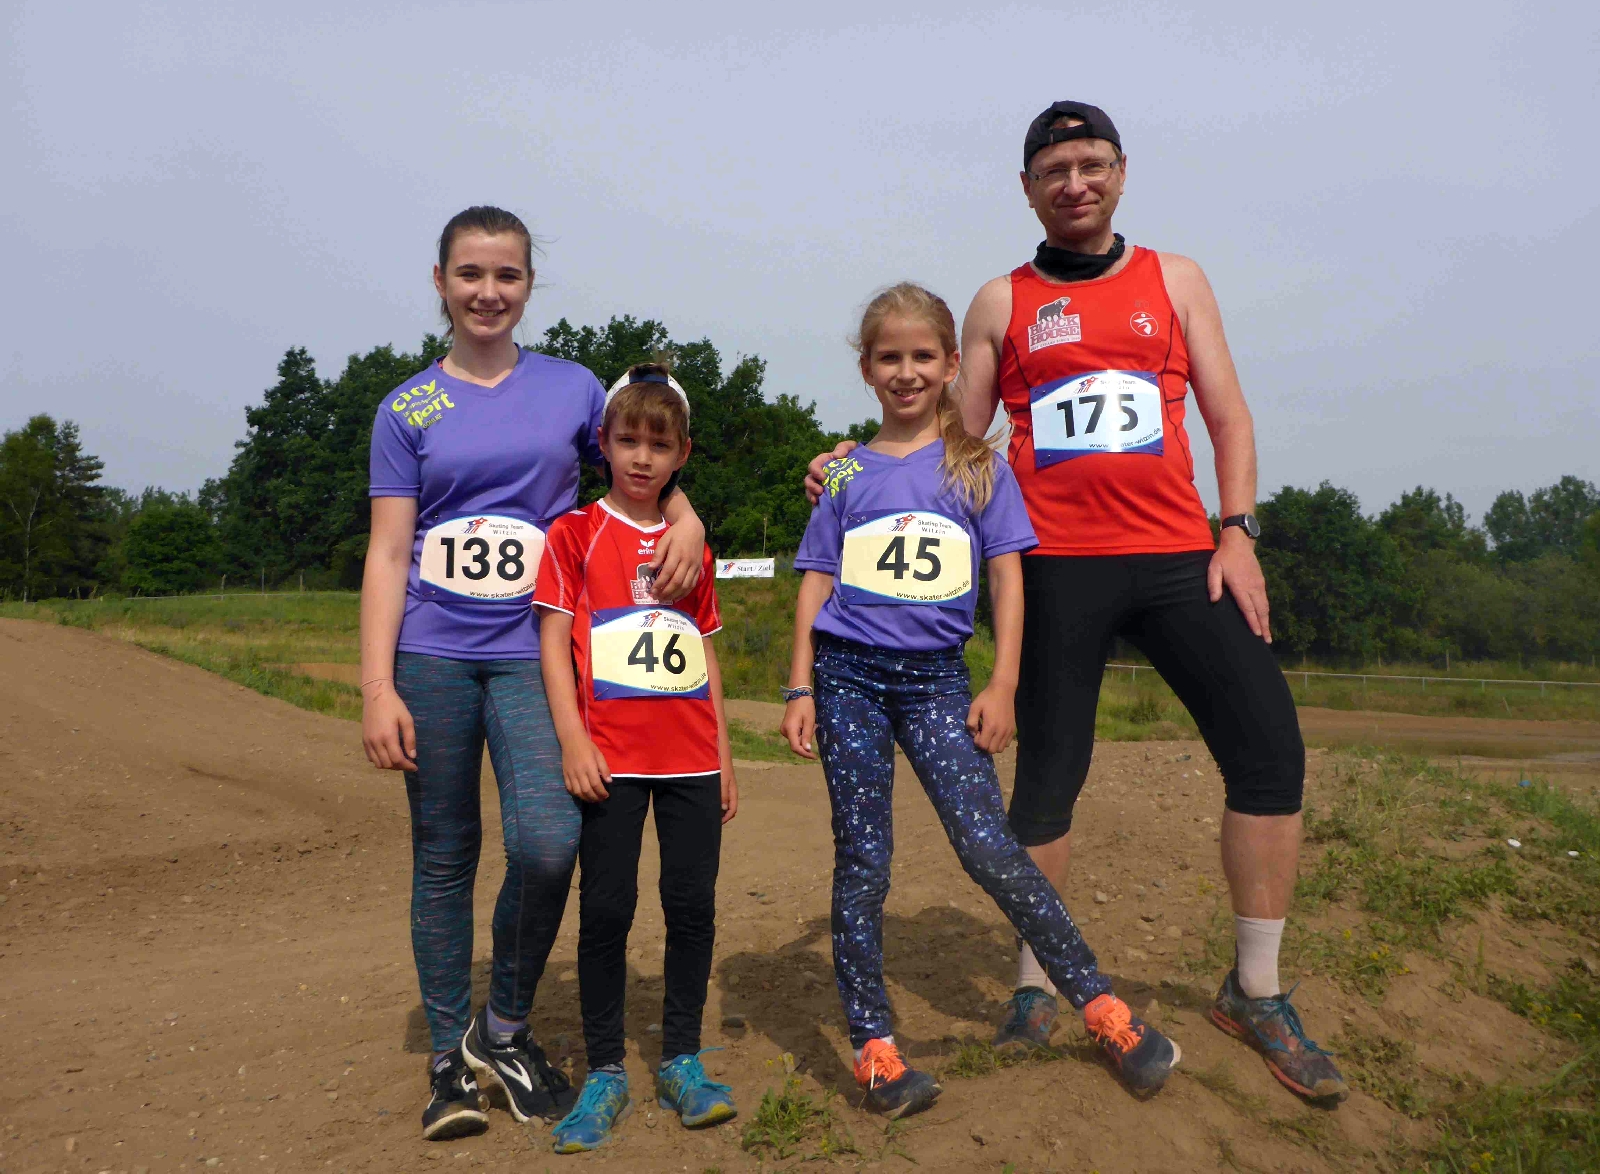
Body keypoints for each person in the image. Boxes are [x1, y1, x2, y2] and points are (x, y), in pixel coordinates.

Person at [806, 104, 1346, 1104]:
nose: (1075, 183)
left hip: (1181, 556)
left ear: (1121, 172)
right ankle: (1033, 988)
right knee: (1047, 779)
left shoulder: (1177, 280)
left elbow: (1227, 414)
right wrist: (850, 461)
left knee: (1270, 750)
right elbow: (949, 436)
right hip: (1058, 567)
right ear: (1027, 189)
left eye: (1091, 164)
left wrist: (1237, 531)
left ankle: (1257, 991)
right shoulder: (999, 302)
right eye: (1054, 169)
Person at [782, 283, 1180, 1120]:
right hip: (847, 679)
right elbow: (816, 579)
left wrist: (1002, 682)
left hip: (936, 681)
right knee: (864, 860)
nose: (906, 372)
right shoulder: (844, 470)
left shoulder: (979, 469)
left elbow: (1007, 578)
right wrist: (799, 685)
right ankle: (875, 1050)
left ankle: (1102, 1008)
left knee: (989, 848)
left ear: (951, 366)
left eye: (922, 356)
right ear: (866, 368)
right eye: (889, 357)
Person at [360, 208, 708, 1141]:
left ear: (527, 285)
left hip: (534, 650)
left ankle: (502, 1028)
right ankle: (449, 1058)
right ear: (440, 281)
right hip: (431, 653)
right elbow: (388, 552)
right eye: (470, 274)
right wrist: (377, 688)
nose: (488, 292)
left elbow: (642, 460)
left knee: (551, 844)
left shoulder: (572, 388)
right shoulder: (406, 409)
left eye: (507, 275)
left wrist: (688, 518)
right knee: (444, 855)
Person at [534, 366, 740, 1155]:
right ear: (604, 444)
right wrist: (572, 739)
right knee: (607, 911)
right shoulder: (574, 534)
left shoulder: (694, 547)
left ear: (682, 453)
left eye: (659, 444)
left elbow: (704, 651)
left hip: (689, 758)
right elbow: (554, 642)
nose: (642, 457)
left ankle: (682, 1058)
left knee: (691, 907)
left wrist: (724, 754)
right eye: (628, 441)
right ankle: (606, 1071)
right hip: (610, 760)